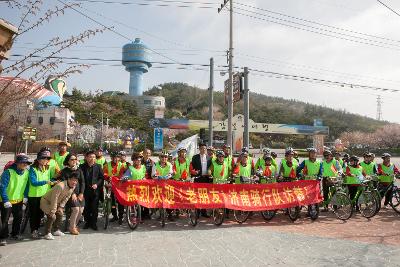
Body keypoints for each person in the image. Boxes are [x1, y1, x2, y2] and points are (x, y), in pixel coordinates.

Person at [0, 154, 32, 246]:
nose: (25, 164)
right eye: (23, 162)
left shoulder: (26, 172)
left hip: (18, 200)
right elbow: (2, 187)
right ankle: (3, 237)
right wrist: (5, 200)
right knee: (5, 220)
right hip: (7, 201)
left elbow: (26, 186)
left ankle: (15, 234)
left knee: (18, 218)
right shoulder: (8, 172)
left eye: (26, 163)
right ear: (17, 163)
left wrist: (25, 196)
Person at [40, 172, 77, 240]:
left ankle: (56, 230)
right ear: (68, 179)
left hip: (56, 203)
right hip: (46, 201)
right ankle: (47, 233)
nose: (74, 182)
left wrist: (61, 207)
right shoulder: (60, 186)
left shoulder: (73, 186)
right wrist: (53, 210)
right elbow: (55, 198)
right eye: (73, 180)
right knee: (52, 216)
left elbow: (67, 197)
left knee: (60, 213)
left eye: (76, 181)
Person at [28, 150, 53, 239]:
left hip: (44, 195)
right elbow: (34, 182)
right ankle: (33, 231)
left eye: (47, 158)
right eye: (43, 158)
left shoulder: (47, 168)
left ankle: (37, 229)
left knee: (40, 214)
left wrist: (53, 182)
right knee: (34, 214)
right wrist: (45, 182)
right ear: (38, 159)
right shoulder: (32, 168)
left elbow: (49, 180)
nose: (45, 160)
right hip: (34, 195)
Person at [59, 153, 85, 235]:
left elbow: (83, 182)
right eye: (72, 159)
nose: (74, 161)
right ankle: (72, 227)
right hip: (69, 194)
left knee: (81, 210)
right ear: (68, 161)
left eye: (75, 159)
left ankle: (73, 225)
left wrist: (81, 193)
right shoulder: (64, 171)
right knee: (76, 209)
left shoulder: (79, 170)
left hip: (79, 194)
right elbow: (65, 184)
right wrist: (72, 193)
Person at [81, 150, 104, 230]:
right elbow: (80, 179)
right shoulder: (82, 167)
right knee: (86, 207)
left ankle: (94, 223)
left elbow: (101, 178)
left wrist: (97, 184)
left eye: (94, 157)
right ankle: (87, 222)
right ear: (86, 158)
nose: (92, 158)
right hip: (85, 191)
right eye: (90, 157)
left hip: (95, 191)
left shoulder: (98, 166)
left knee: (94, 207)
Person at [152, 151, 174, 221]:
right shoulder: (155, 164)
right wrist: (159, 177)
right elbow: (153, 174)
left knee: (169, 198)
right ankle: (158, 212)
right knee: (158, 198)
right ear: (159, 157)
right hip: (157, 184)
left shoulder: (169, 164)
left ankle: (170, 213)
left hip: (166, 184)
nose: (164, 158)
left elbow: (171, 173)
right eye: (162, 157)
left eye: (165, 157)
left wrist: (166, 177)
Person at [103, 151, 125, 224]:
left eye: (117, 157)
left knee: (120, 202)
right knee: (112, 202)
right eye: (114, 157)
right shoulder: (107, 165)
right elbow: (104, 173)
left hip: (119, 186)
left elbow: (122, 174)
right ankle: (115, 216)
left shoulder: (121, 165)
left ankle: (121, 217)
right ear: (111, 158)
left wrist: (116, 178)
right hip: (110, 186)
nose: (116, 159)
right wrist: (107, 177)